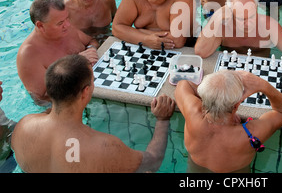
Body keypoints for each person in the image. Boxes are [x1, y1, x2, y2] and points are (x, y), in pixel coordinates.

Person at [11, 54, 175, 173]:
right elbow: (152, 162)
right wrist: (162, 119)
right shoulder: (105, 147)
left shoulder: (23, 126)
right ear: (86, 91)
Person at [175, 70, 282, 173]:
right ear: (236, 106)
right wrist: (263, 85)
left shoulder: (193, 113)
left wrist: (212, 97)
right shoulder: (251, 134)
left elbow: (182, 84)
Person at [195, 0, 282, 81]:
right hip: (230, 73)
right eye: (242, 19)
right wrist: (216, 17)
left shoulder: (268, 25)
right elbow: (201, 52)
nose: (248, 23)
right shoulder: (222, 27)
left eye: (252, 16)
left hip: (262, 72)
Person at [16, 0, 99, 106]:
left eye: (67, 18)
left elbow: (92, 41)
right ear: (40, 25)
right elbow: (43, 99)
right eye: (60, 23)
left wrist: (91, 49)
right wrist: (76, 63)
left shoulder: (65, 29)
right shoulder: (29, 55)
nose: (68, 25)